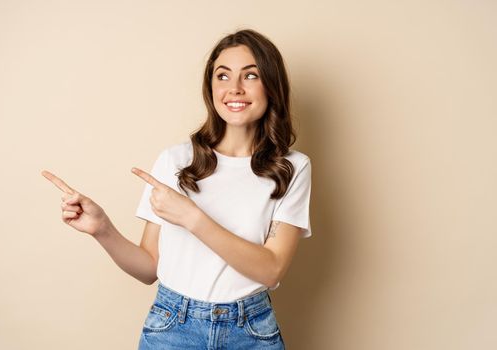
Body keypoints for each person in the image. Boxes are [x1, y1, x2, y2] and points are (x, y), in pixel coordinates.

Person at [42, 28, 312, 350]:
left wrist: (193, 218)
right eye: (222, 76)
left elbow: (271, 270)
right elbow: (148, 269)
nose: (234, 89)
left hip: (251, 331)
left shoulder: (292, 167)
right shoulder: (176, 160)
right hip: (173, 327)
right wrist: (102, 229)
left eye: (250, 75)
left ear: (272, 85)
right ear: (210, 87)